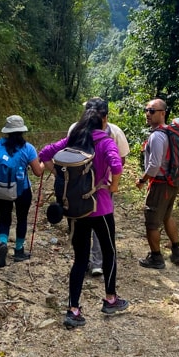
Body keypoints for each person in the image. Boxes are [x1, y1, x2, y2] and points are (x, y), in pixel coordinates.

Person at [40, 108, 128, 328]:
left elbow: (44, 153)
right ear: (104, 121)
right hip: (101, 208)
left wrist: (59, 175)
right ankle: (110, 299)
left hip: (77, 210)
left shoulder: (72, 140)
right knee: (108, 253)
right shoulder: (106, 142)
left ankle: (74, 309)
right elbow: (116, 165)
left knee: (80, 259)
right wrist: (113, 186)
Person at [69, 97, 129, 277]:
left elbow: (65, 154)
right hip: (103, 188)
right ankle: (97, 262)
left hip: (77, 187)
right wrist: (112, 182)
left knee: (80, 220)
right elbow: (121, 160)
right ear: (106, 116)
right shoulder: (115, 132)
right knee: (101, 225)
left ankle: (82, 260)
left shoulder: (75, 129)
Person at [0, 115, 44, 268]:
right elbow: (38, 172)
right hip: (22, 190)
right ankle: (19, 250)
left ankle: (3, 244)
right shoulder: (28, 148)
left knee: (4, 219)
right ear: (21, 131)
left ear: (7, 131)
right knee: (22, 219)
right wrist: (44, 164)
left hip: (0, 188)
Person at [135, 98, 179, 269]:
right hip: (171, 182)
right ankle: (177, 252)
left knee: (151, 223)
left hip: (160, 184)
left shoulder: (157, 136)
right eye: (146, 110)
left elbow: (154, 165)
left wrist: (142, 180)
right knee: (166, 216)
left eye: (152, 111)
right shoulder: (168, 132)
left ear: (162, 113)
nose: (147, 114)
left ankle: (156, 258)